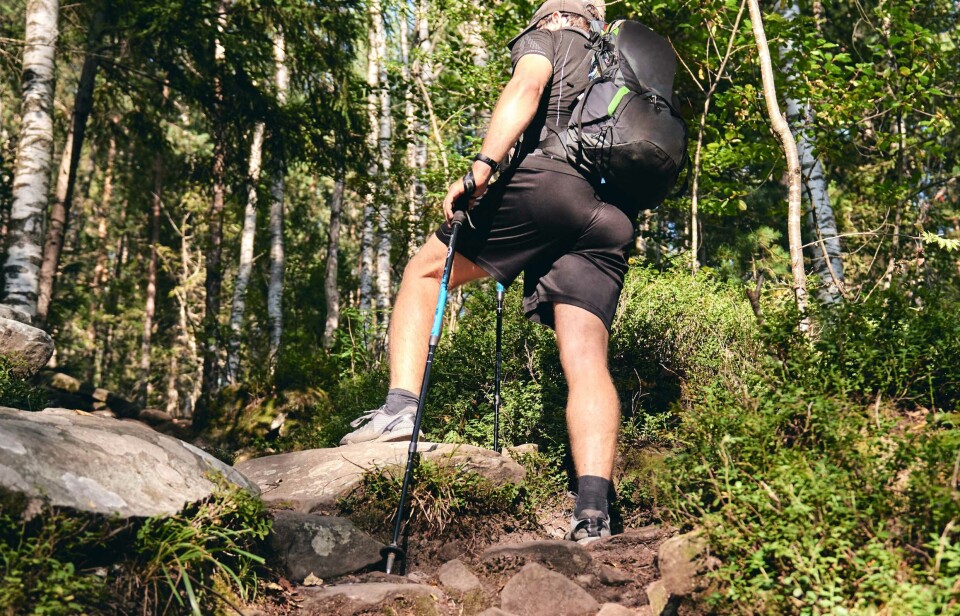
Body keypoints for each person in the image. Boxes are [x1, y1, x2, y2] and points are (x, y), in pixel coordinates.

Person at [340, 0, 630, 544]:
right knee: (587, 355)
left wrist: (482, 167)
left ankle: (401, 411)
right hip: (611, 217)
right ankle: (594, 514)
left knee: (425, 272)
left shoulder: (552, 34)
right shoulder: (614, 62)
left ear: (553, 11)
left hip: (550, 183)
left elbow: (526, 88)